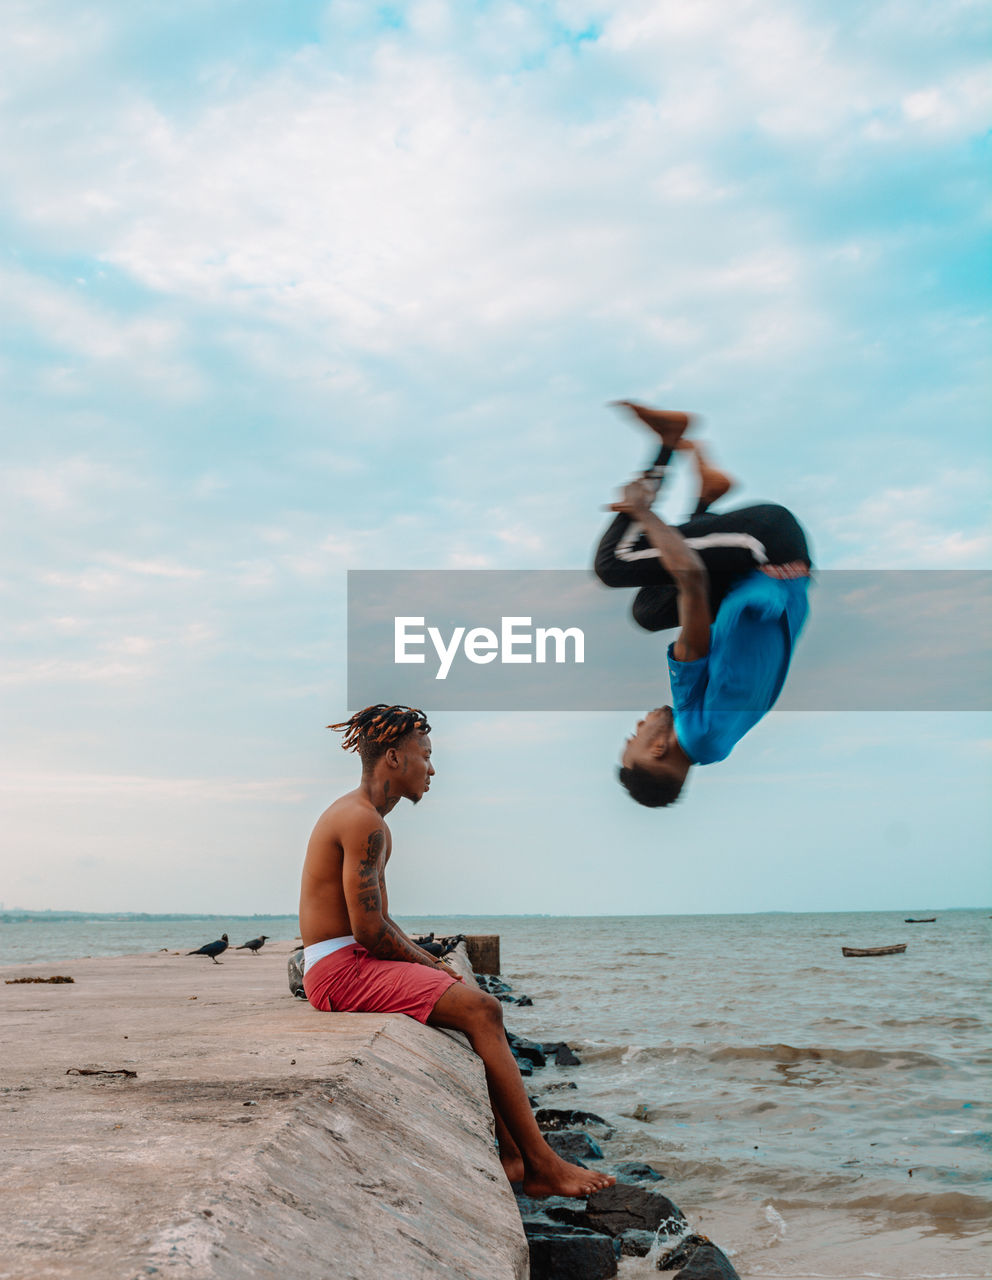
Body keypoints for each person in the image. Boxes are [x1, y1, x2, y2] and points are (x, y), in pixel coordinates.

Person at [298, 703, 615, 1199]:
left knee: (467, 1000)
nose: (432, 767)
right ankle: (541, 1164)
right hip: (339, 970)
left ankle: (514, 1157)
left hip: (338, 962)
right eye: (425, 755)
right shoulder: (365, 823)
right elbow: (368, 930)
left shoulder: (364, 817)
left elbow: (380, 920)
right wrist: (430, 964)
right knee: (483, 1008)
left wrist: (436, 968)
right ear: (394, 760)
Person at [594, 402, 812, 808]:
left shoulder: (712, 740)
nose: (638, 726)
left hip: (770, 569)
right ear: (657, 749)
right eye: (634, 739)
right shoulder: (697, 722)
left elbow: (695, 602)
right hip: (768, 546)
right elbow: (691, 576)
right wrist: (640, 509)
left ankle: (706, 496)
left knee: (649, 611)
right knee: (614, 564)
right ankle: (666, 445)